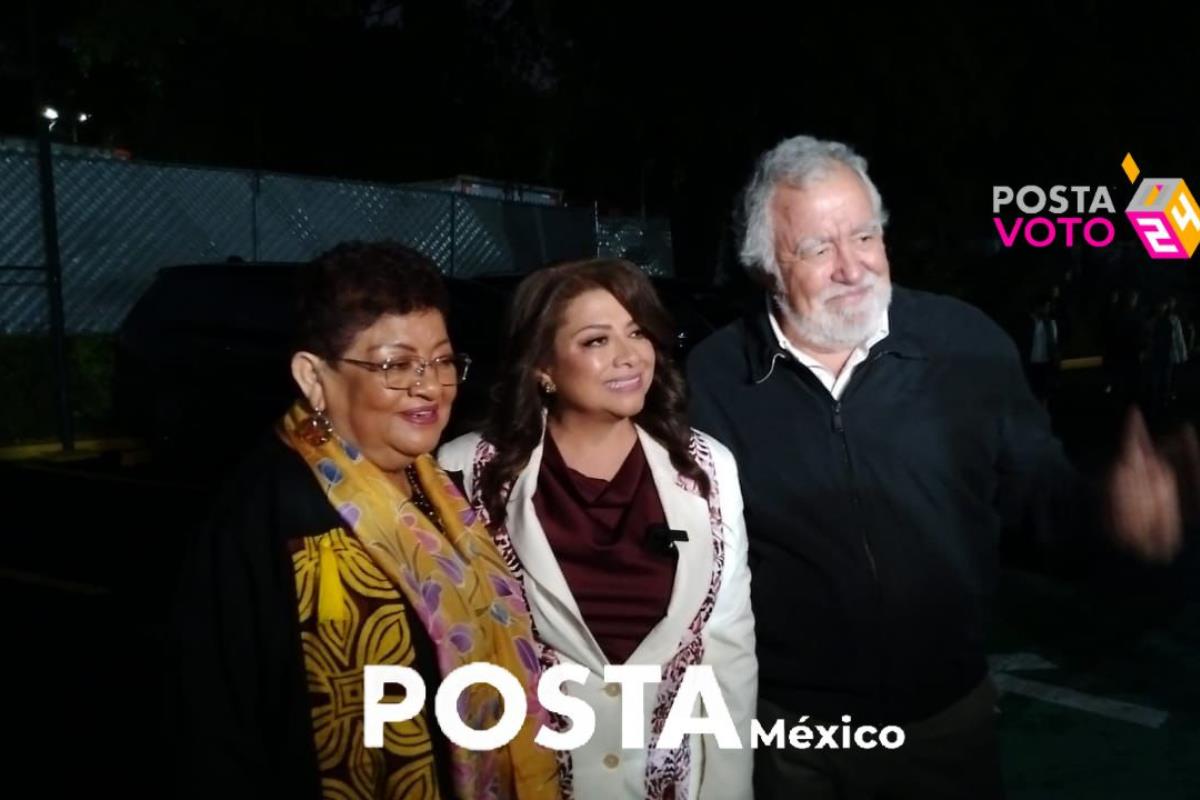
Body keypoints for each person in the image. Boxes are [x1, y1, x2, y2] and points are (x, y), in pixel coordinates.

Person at [685, 134, 1195, 799]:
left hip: (946, 724)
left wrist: (1111, 512)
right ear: (764, 269)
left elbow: (1041, 498)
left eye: (865, 236)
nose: (853, 267)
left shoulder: (965, 344)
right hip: (795, 737)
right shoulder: (715, 378)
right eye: (816, 247)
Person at [172, 242, 561, 800]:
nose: (429, 386)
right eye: (395, 365)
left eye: (443, 360)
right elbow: (216, 736)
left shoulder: (438, 488)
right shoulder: (275, 519)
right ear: (313, 377)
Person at [438, 259, 757, 800]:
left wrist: (728, 790)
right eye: (595, 341)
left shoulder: (707, 468)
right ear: (543, 367)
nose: (629, 355)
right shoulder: (469, 471)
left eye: (637, 332)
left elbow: (727, 649)